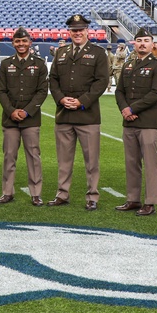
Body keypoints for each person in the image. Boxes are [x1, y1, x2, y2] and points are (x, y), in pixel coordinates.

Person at [47, 14, 109, 211]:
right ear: (69, 32)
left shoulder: (98, 53)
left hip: (87, 116)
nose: (77, 33)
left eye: (80, 30)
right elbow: (53, 80)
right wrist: (61, 99)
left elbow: (101, 82)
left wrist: (82, 101)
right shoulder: (61, 53)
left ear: (87, 31)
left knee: (91, 161)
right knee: (64, 160)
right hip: (64, 114)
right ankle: (62, 194)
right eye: (74, 30)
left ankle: (92, 196)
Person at [113, 28, 157, 216]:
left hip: (148, 122)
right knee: (131, 162)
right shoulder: (128, 65)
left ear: (153, 44)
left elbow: (156, 94)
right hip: (129, 122)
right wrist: (124, 109)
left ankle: (150, 202)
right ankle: (133, 199)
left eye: (146, 40)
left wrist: (132, 109)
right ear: (134, 44)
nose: (142, 43)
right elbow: (119, 91)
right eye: (139, 40)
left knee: (150, 164)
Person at [0, 27, 48, 206]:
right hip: (10, 119)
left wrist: (26, 111)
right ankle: (7, 192)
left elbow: (42, 91)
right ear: (13, 43)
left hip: (31, 118)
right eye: (17, 41)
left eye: (24, 41)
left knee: (33, 156)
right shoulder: (5, 64)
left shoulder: (39, 64)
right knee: (9, 156)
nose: (21, 44)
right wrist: (11, 111)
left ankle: (36, 193)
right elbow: (1, 91)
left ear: (30, 42)